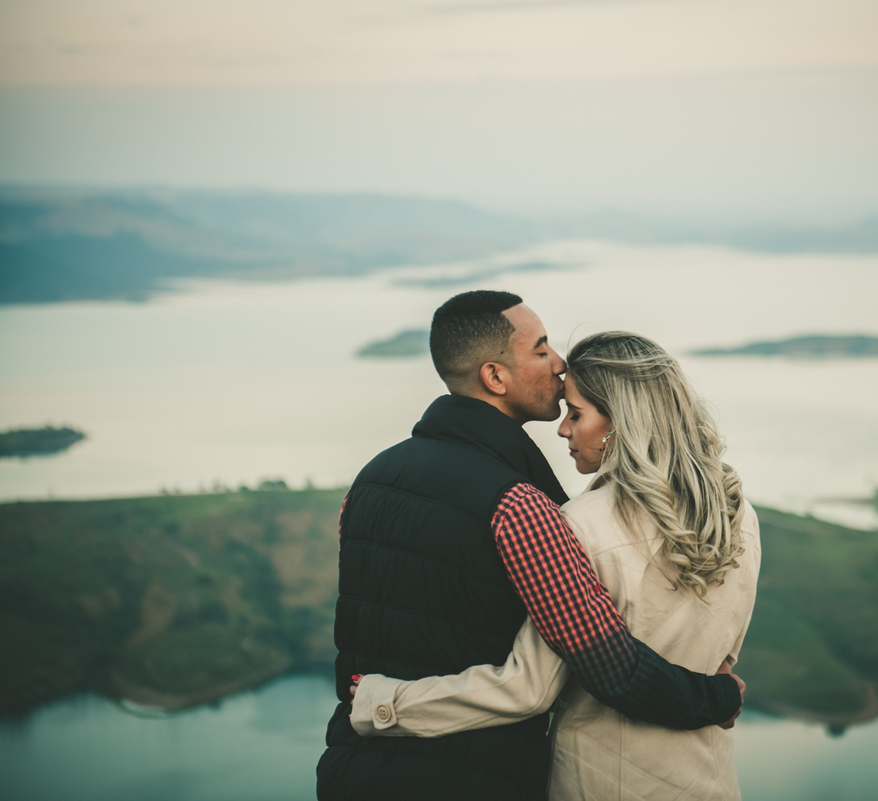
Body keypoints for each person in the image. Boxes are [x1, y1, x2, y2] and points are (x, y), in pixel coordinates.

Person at [316, 293, 745, 801]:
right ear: (496, 377)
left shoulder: (368, 482)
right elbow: (608, 664)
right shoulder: (521, 506)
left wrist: (377, 706)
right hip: (472, 779)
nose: (560, 364)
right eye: (541, 350)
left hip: (352, 769)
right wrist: (716, 697)